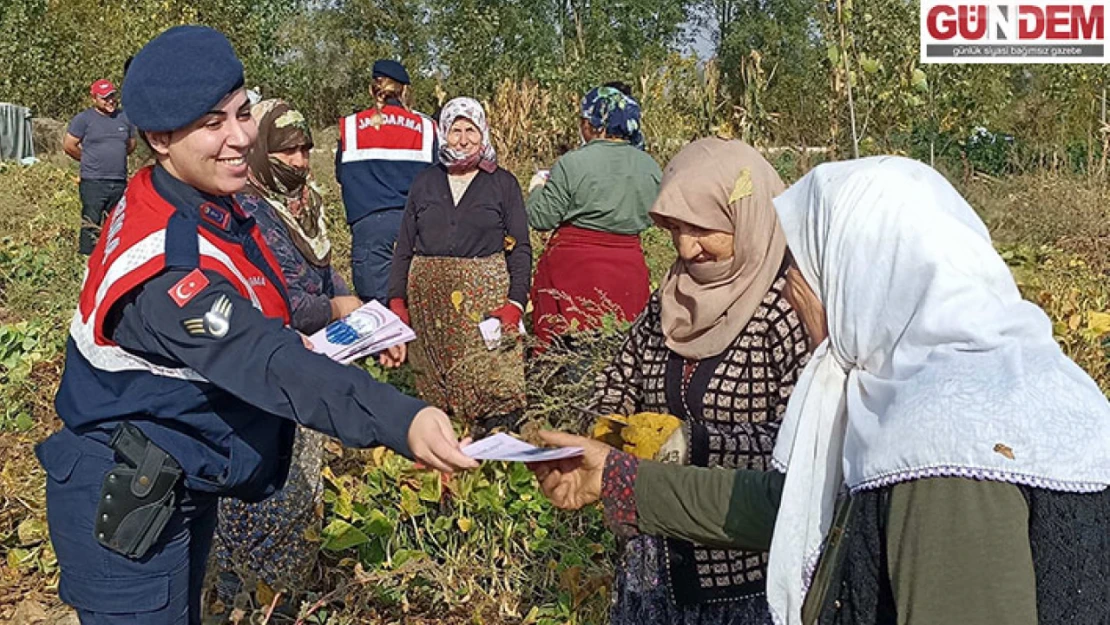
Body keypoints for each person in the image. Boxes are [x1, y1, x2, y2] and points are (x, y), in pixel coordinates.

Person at [531, 156, 1110, 625]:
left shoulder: (947, 442)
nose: (793, 295)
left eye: (805, 272)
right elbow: (794, 506)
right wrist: (615, 475)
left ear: (867, 278)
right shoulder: (1009, 384)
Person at [37, 26, 476, 625]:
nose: (242, 137)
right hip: (125, 495)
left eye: (242, 112)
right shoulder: (170, 268)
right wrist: (401, 417)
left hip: (175, 472)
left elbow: (270, 299)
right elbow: (267, 359)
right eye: (213, 123)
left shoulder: (195, 197)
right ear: (161, 138)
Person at [574, 138, 815, 625]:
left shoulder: (789, 311)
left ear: (745, 220)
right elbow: (617, 383)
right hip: (653, 563)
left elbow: (804, 441)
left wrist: (694, 443)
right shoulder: (668, 300)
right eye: (676, 229)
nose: (687, 248)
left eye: (703, 230)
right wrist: (608, 431)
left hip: (743, 573)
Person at [211, 98, 369, 608]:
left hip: (307, 360)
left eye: (305, 149)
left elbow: (324, 272)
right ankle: (242, 594)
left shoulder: (305, 203)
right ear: (259, 154)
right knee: (262, 486)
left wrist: (349, 304)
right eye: (286, 152)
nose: (300, 161)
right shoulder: (252, 212)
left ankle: (283, 594)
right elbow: (281, 300)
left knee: (299, 481)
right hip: (264, 368)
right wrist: (338, 307)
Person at [387, 97, 531, 434]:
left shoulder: (502, 183)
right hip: (430, 309)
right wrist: (397, 300)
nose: (463, 139)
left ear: (483, 134)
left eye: (471, 130)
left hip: (484, 305)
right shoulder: (425, 181)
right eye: (455, 130)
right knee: (433, 390)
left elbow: (520, 247)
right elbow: (405, 245)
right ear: (443, 133)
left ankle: (494, 461)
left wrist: (515, 302)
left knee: (491, 383)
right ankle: (441, 462)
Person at [527, 85, 661, 346]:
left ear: (592, 123)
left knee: (572, 354)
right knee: (621, 352)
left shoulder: (573, 163)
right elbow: (655, 217)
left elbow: (541, 218)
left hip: (574, 274)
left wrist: (536, 189)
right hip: (628, 272)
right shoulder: (650, 166)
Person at [336, 59, 436, 304]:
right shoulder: (426, 128)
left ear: (373, 89)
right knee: (419, 312)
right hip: (417, 230)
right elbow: (437, 181)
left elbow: (341, 175)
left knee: (379, 321)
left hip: (370, 232)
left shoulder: (350, 127)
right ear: (405, 91)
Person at [64, 78, 136, 254]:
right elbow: (69, 145)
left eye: (112, 96)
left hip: (118, 181)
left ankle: (113, 257)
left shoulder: (124, 118)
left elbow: (131, 144)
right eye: (105, 98)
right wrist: (88, 159)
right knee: (91, 220)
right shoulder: (84, 119)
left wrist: (114, 157)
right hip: (93, 181)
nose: (110, 101)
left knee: (117, 222)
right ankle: (87, 258)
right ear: (94, 98)